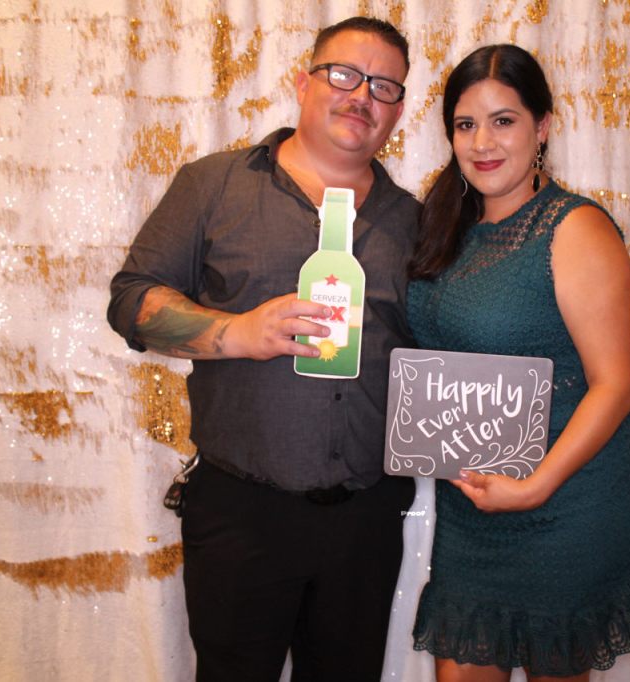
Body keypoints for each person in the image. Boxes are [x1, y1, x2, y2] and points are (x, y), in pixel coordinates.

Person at [107, 17, 418, 682]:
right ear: (302, 83)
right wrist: (236, 333)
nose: (362, 95)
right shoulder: (214, 184)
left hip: (365, 520)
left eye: (384, 86)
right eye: (344, 74)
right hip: (241, 514)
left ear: (398, 110)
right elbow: (130, 301)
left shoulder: (414, 221)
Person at [407, 44, 630, 681]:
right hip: (472, 509)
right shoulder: (447, 225)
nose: (482, 143)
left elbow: (616, 384)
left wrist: (535, 486)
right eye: (465, 124)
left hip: (567, 503)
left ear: (542, 126)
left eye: (504, 120)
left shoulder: (573, 228)